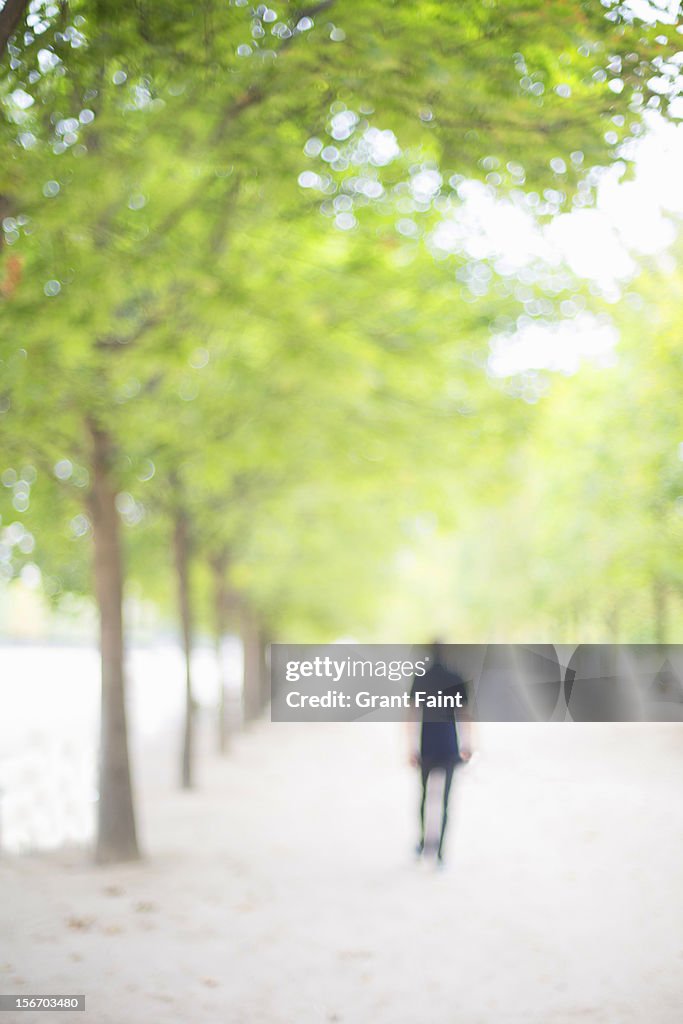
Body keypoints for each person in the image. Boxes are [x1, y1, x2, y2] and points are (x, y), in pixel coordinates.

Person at [409, 641, 472, 865]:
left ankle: (423, 843)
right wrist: (468, 744)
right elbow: (464, 713)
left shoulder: (421, 677)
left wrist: (410, 747)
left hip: (427, 743)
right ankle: (440, 852)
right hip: (448, 743)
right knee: (445, 800)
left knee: (425, 796)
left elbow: (411, 713)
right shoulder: (456, 677)